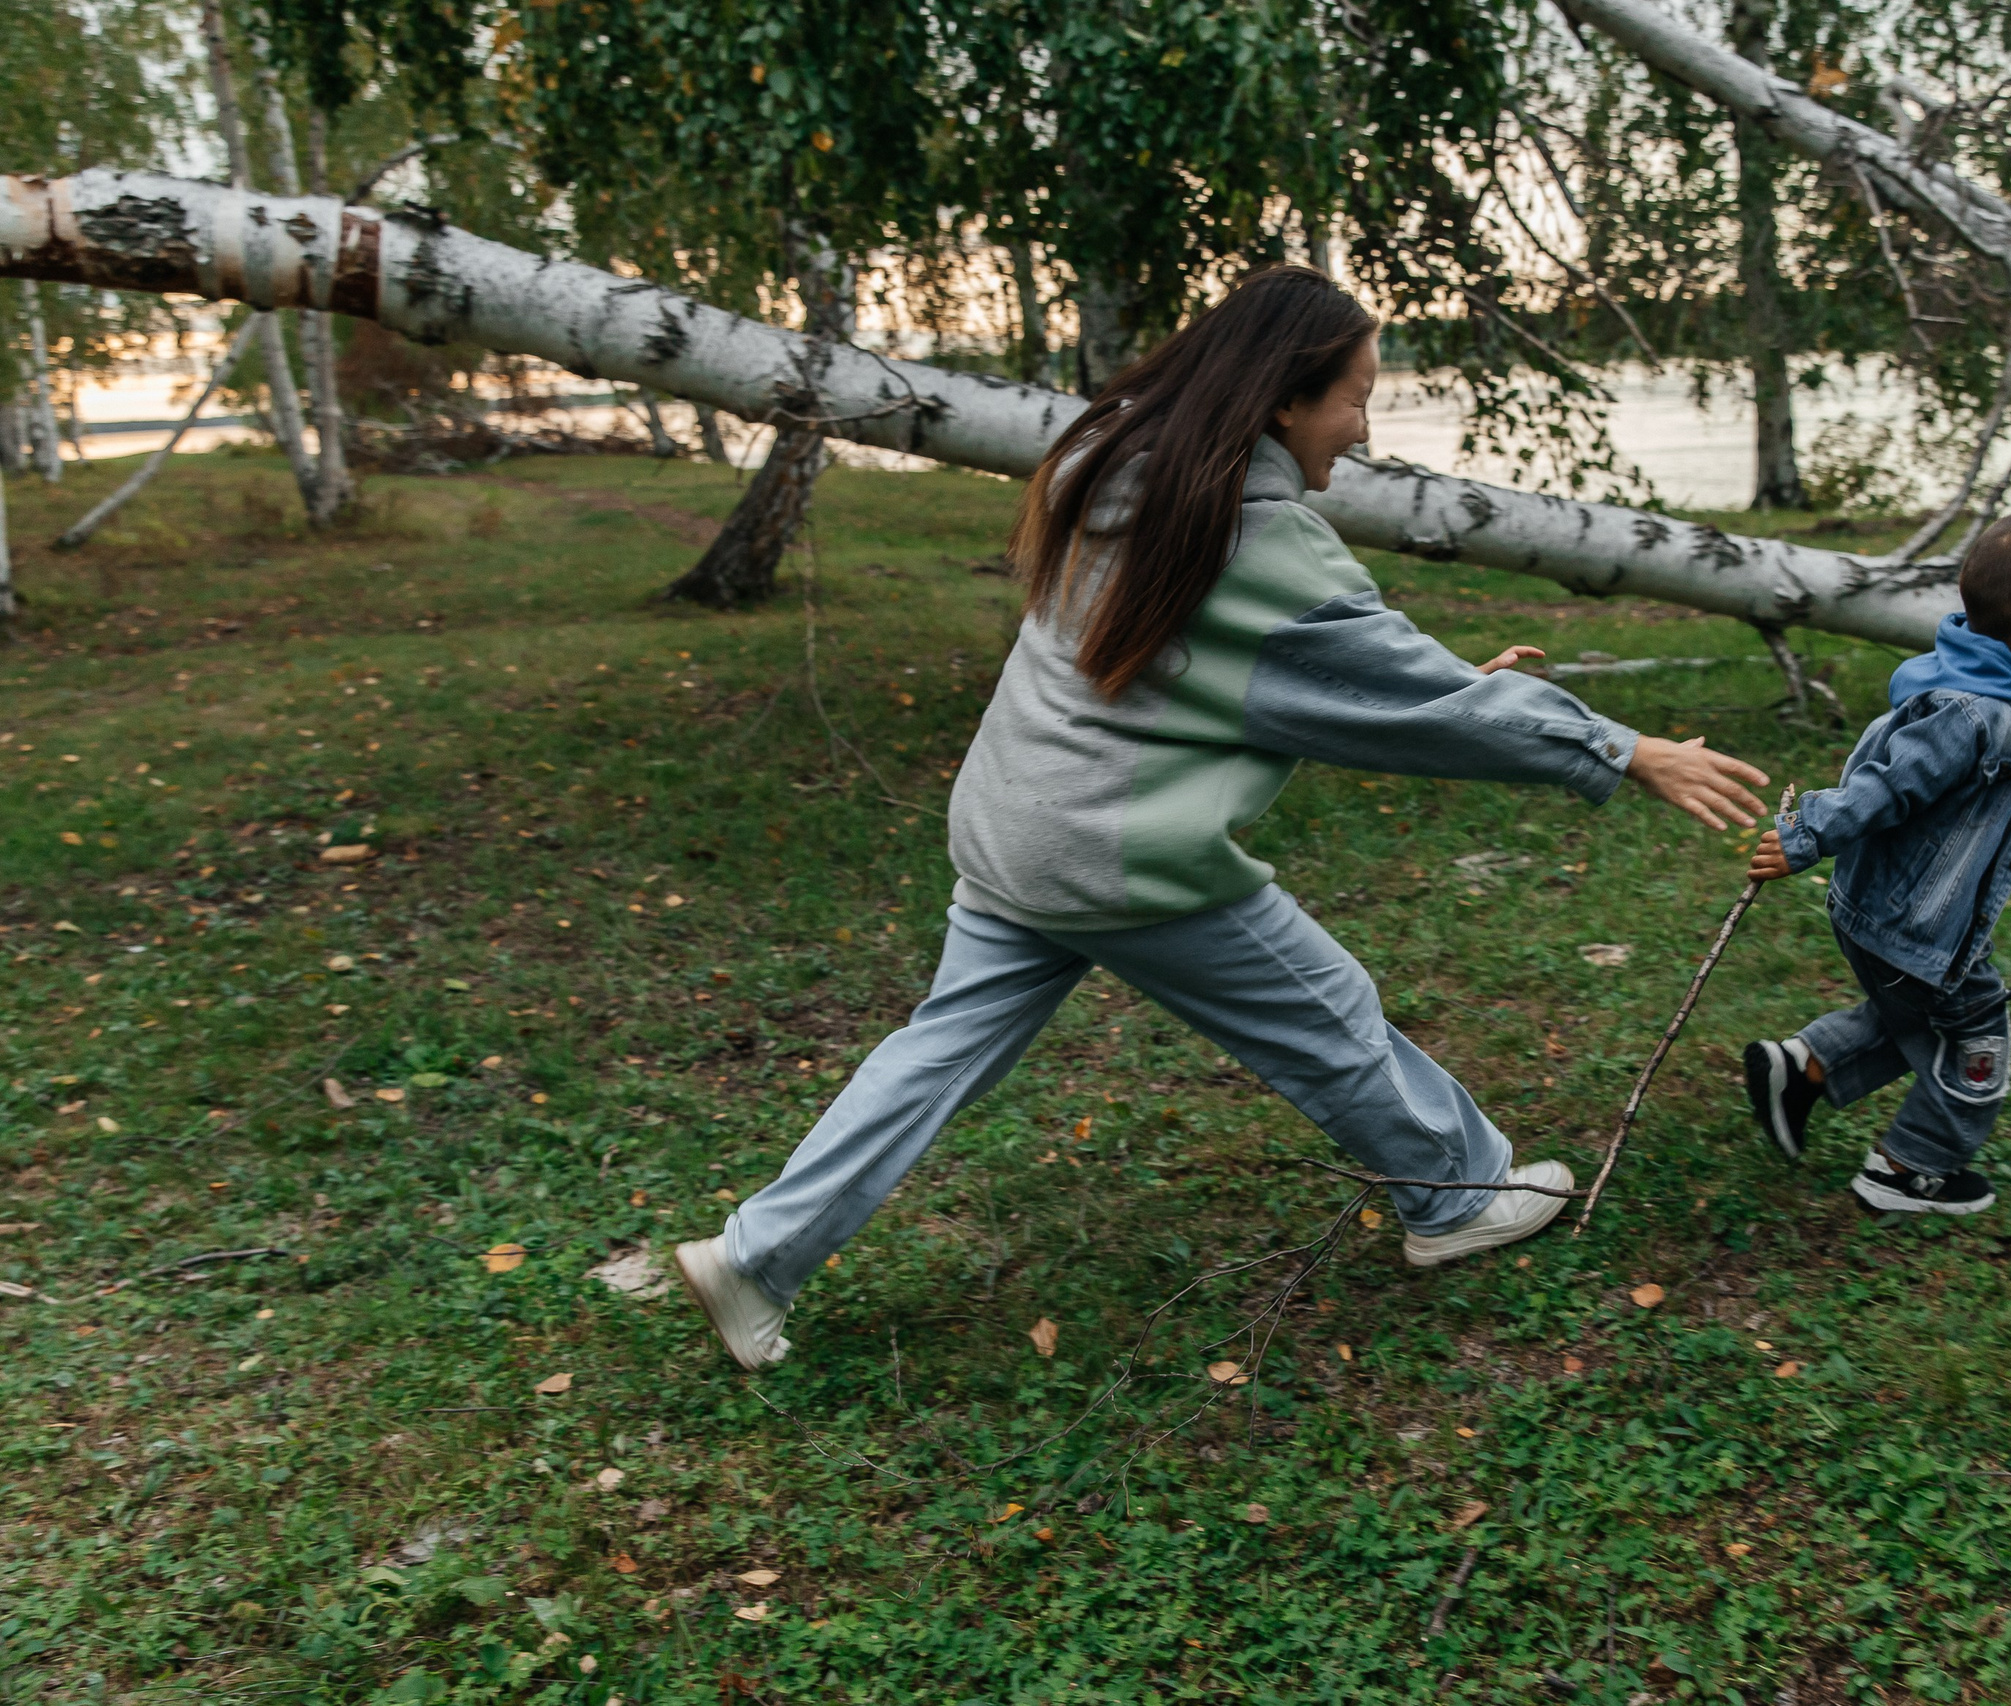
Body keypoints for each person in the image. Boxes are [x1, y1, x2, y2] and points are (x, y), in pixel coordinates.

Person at [675, 266, 1772, 1370]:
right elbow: (1364, 670)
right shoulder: (1248, 538)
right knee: (1326, 1004)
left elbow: (1338, 673)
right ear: (1284, 399)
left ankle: (753, 1255)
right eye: (1355, 394)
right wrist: (1622, 747)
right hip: (1117, 852)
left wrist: (1451, 689)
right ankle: (1457, 1193)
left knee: (934, 1051)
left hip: (1014, 824)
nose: (1363, 423)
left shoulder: (1108, 462)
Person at [1740, 512, 2011, 1215]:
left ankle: (1804, 1067)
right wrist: (1805, 832)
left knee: (1913, 1015)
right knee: (1976, 1036)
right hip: (1912, 924)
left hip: (1894, 917)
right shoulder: (1979, 714)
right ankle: (1909, 1167)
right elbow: (1886, 784)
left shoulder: (1971, 678)